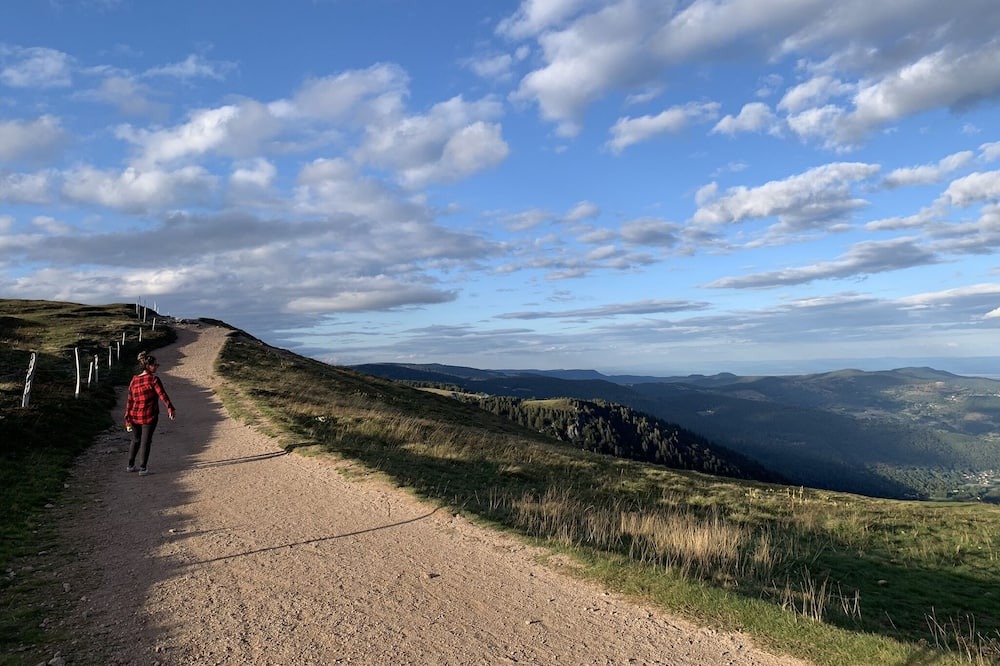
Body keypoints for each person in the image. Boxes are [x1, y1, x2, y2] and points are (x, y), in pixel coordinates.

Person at [124, 350, 176, 475]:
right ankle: (143, 468)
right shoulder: (153, 380)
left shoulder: (134, 380)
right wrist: (170, 408)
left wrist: (127, 418)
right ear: (148, 366)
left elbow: (129, 400)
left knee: (136, 439)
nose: (157, 366)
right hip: (149, 415)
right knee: (146, 441)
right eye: (155, 364)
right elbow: (162, 395)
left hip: (134, 416)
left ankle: (130, 466)